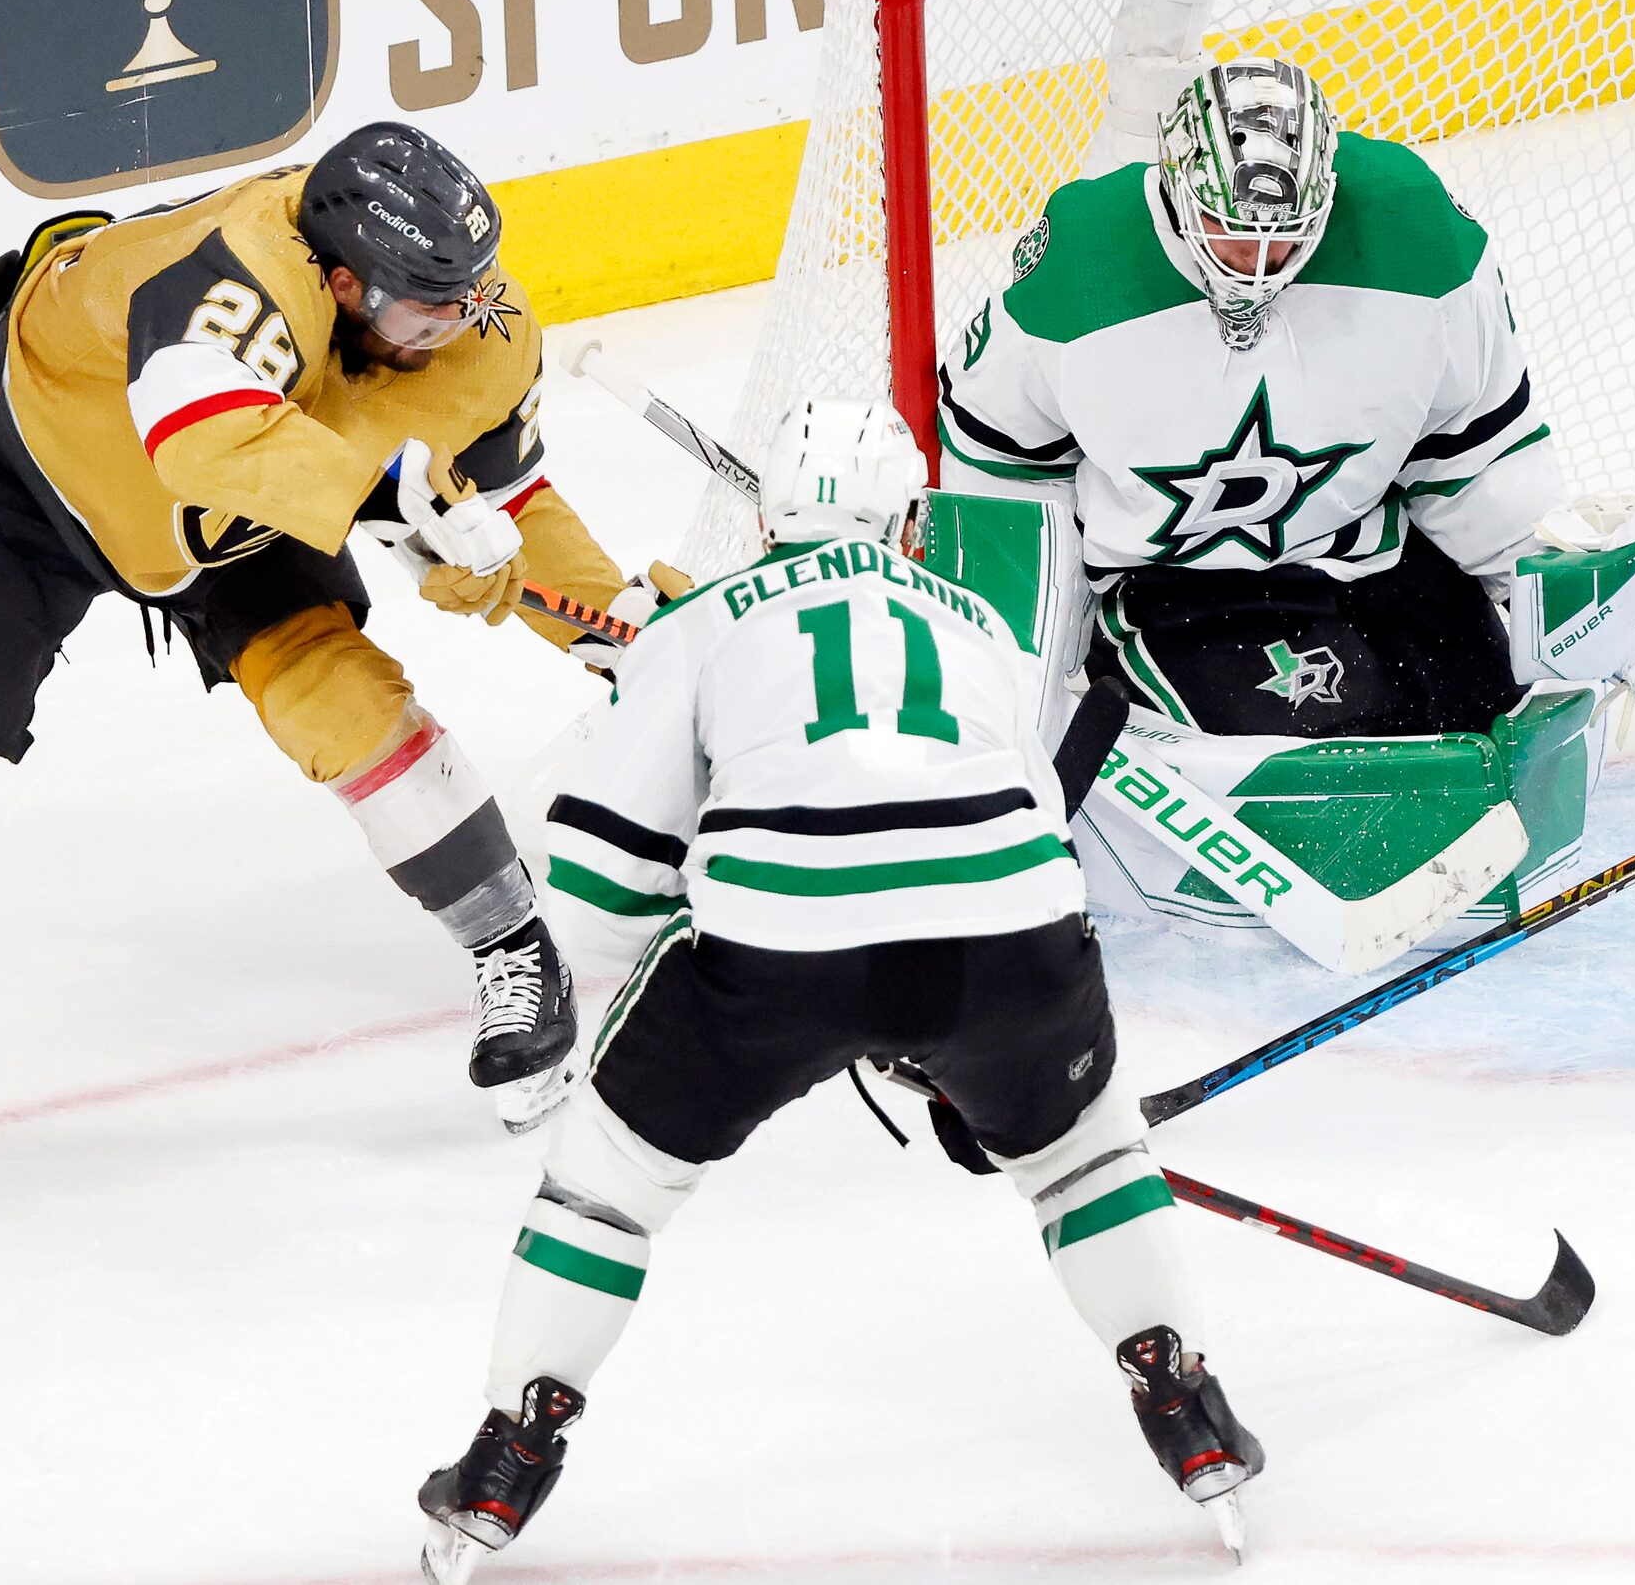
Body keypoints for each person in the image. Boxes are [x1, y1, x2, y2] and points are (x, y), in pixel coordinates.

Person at [0, 123, 674, 1187]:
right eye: (424, 306)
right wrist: (386, 496)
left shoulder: (469, 317)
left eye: (468, 292)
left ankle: (513, 954)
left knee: (338, 695)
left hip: (238, 512)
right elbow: (202, 430)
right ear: (342, 282)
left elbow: (514, 503)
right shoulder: (244, 266)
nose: (457, 321)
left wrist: (620, 628)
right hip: (23, 463)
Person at [414, 400, 1259, 1580]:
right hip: (1015, 950)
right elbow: (1026, 855)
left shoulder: (699, 624)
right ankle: (1184, 1402)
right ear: (911, 520)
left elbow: (598, 899)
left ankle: (511, 1459)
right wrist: (961, 1060)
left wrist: (741, 866)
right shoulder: (985, 631)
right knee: (1086, 1165)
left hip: (777, 961)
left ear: (764, 516)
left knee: (605, 1196)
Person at [935, 55, 1635, 741]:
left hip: (1375, 552)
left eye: (1289, 233)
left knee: (1493, 712)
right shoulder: (1078, 268)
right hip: (1180, 587)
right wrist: (1017, 665)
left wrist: (1531, 582)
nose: (1260, 262)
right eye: (1235, 232)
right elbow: (1000, 463)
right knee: (1333, 749)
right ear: (1179, 191)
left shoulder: (1416, 235)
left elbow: (1472, 444)